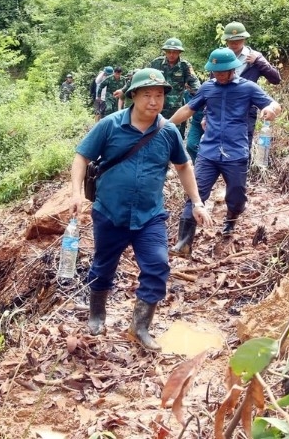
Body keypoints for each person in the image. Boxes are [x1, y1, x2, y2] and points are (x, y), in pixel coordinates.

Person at [70, 68, 209, 351]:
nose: (154, 101)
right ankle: (96, 314)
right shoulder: (110, 125)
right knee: (103, 265)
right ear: (134, 96)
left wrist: (196, 202)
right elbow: (82, 156)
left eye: (159, 95)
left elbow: (183, 166)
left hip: (150, 216)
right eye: (147, 95)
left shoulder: (168, 131)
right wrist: (75, 193)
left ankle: (140, 326)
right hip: (110, 212)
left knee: (158, 266)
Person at [168, 48, 281, 254]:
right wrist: (165, 125)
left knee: (236, 196)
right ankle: (184, 243)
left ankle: (231, 221)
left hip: (236, 152)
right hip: (208, 152)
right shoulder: (207, 88)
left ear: (233, 69)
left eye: (223, 71)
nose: (219, 75)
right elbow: (188, 109)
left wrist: (270, 110)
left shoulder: (249, 88)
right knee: (196, 194)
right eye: (215, 71)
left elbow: (273, 104)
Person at [222, 22, 281, 145]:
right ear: (226, 40)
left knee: (243, 145)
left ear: (244, 39)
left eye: (238, 39)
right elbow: (212, 83)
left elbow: (276, 79)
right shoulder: (221, 56)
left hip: (246, 109)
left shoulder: (255, 56)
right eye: (231, 40)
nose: (235, 43)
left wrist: (259, 62)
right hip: (222, 107)